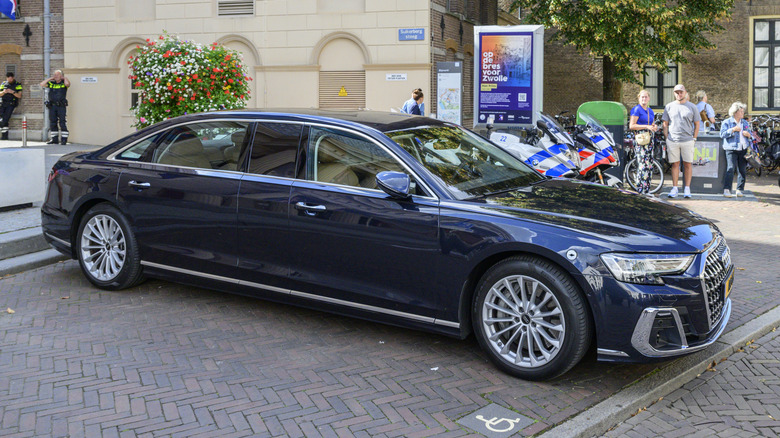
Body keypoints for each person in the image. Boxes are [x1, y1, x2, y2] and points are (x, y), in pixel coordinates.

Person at [662, 84, 701, 198]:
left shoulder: (692, 107)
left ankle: (687, 189)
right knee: (675, 164)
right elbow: (665, 123)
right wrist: (667, 136)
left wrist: (694, 138)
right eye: (676, 92)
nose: (679, 94)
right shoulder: (669, 106)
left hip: (688, 140)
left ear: (685, 93)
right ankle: (675, 188)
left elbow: (697, 124)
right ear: (674, 94)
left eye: (681, 92)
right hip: (673, 139)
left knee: (688, 164)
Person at [628, 89, 658, 194]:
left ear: (649, 98)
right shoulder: (636, 110)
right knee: (642, 164)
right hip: (641, 140)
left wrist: (654, 127)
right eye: (642, 97)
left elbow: (652, 124)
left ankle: (647, 189)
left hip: (649, 140)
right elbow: (632, 126)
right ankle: (640, 189)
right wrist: (646, 126)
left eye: (646, 97)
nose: (644, 99)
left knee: (649, 165)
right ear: (639, 98)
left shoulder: (650, 111)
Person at [719, 101, 751, 198]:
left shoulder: (745, 123)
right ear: (735, 112)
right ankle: (727, 189)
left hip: (743, 148)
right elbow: (722, 134)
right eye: (741, 111)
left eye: (743, 111)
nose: (742, 113)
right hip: (731, 148)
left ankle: (739, 190)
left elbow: (751, 136)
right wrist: (732, 130)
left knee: (742, 170)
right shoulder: (727, 122)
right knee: (730, 168)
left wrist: (748, 135)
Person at [40, 70, 71, 144]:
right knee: (53, 122)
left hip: (61, 106)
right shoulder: (51, 83)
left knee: (62, 122)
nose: (56, 76)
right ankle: (54, 139)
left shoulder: (63, 83)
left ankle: (64, 140)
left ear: (61, 76)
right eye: (55, 75)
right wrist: (51, 78)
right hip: (52, 106)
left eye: (58, 75)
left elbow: (67, 84)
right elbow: (42, 84)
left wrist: (64, 78)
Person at [0, 72, 22, 140]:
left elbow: (19, 95)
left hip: (11, 104)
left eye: (11, 78)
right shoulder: (3, 83)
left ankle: (1, 129)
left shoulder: (18, 84)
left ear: (13, 78)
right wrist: (4, 92)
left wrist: (12, 92)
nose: (10, 80)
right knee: (4, 120)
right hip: (3, 103)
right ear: (7, 78)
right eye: (8, 78)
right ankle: (4, 136)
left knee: (6, 118)